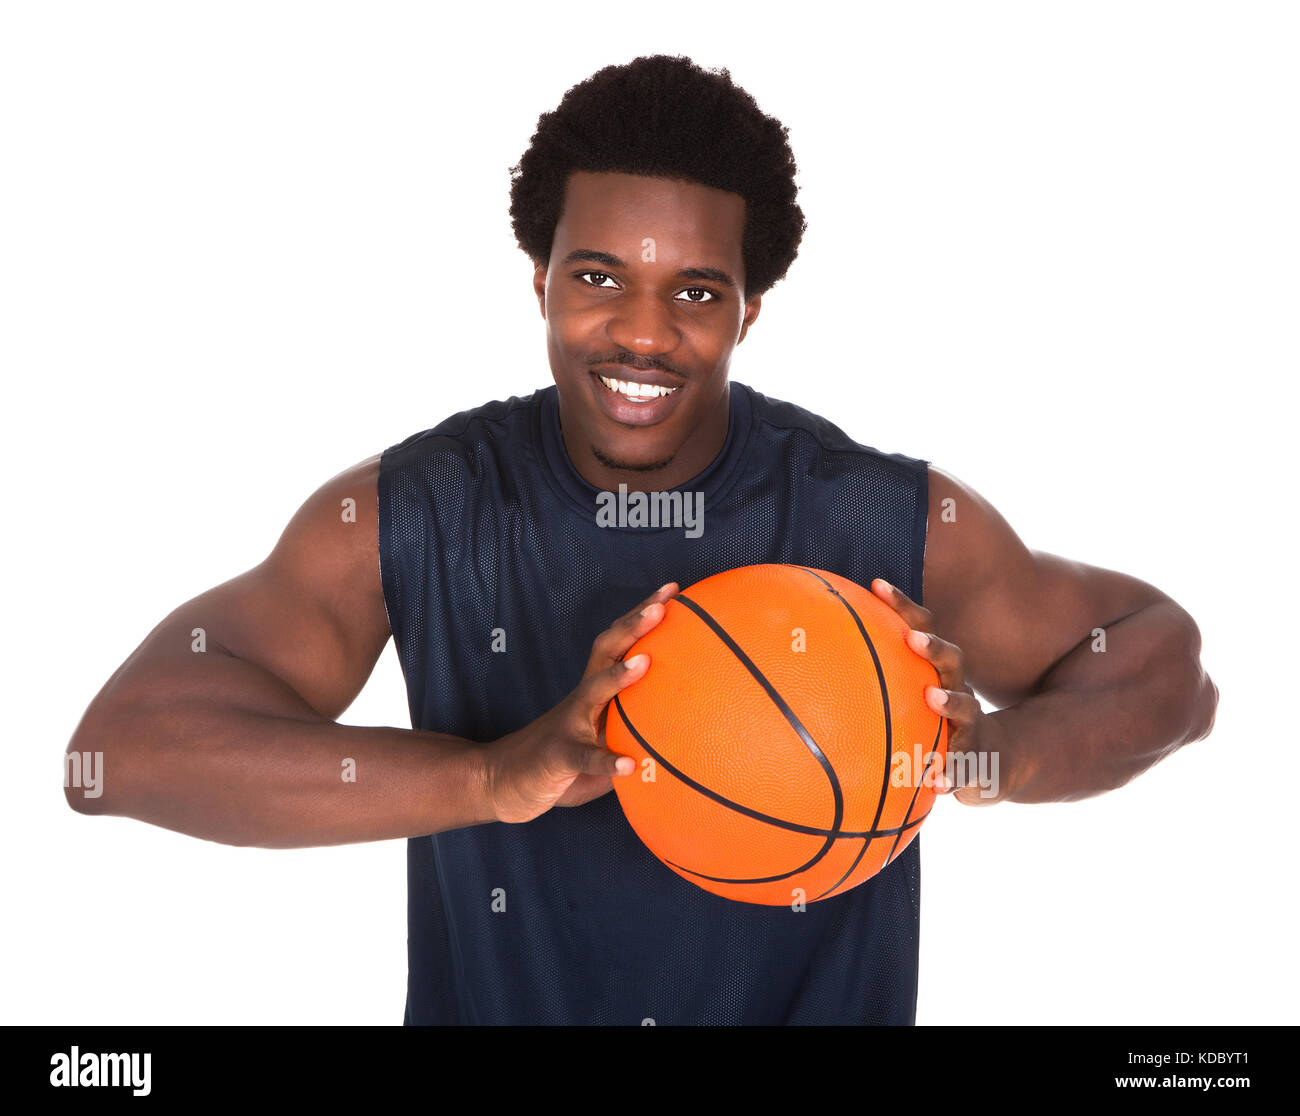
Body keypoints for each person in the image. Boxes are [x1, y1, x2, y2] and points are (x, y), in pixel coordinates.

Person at [65, 54, 1218, 1025]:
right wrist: (492, 774)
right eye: (599, 277)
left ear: (748, 310)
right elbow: (121, 755)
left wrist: (980, 759)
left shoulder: (877, 517)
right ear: (541, 281)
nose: (641, 333)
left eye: (698, 293)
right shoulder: (415, 511)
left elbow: (1163, 659)